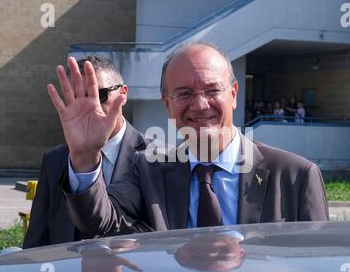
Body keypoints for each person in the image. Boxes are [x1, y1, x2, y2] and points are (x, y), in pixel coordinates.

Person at [47, 42, 328, 237]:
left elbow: (319, 268)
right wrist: (84, 157)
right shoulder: (148, 169)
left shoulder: (296, 177)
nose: (200, 105)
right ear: (167, 103)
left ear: (233, 94)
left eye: (211, 90)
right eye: (184, 94)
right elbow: (98, 220)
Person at [23, 55, 147, 248]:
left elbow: (167, 232)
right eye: (77, 98)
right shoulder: (55, 160)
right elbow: (38, 238)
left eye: (100, 95)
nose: (90, 107)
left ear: (123, 94)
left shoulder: (157, 159)